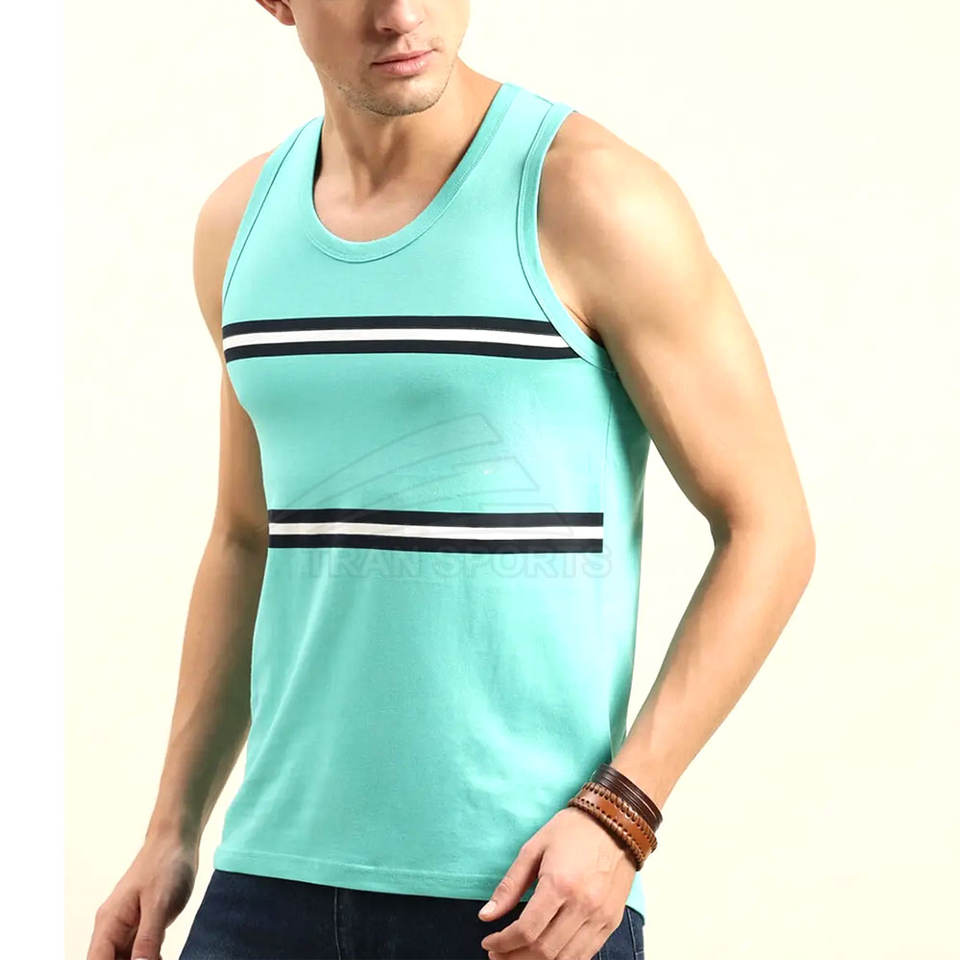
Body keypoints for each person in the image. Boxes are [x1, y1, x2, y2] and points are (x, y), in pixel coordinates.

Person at [86, 2, 815, 959]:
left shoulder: (589, 196)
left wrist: (623, 814)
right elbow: (246, 538)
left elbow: (769, 529)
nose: (401, 14)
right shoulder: (240, 226)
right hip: (266, 884)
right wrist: (170, 829)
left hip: (522, 893)